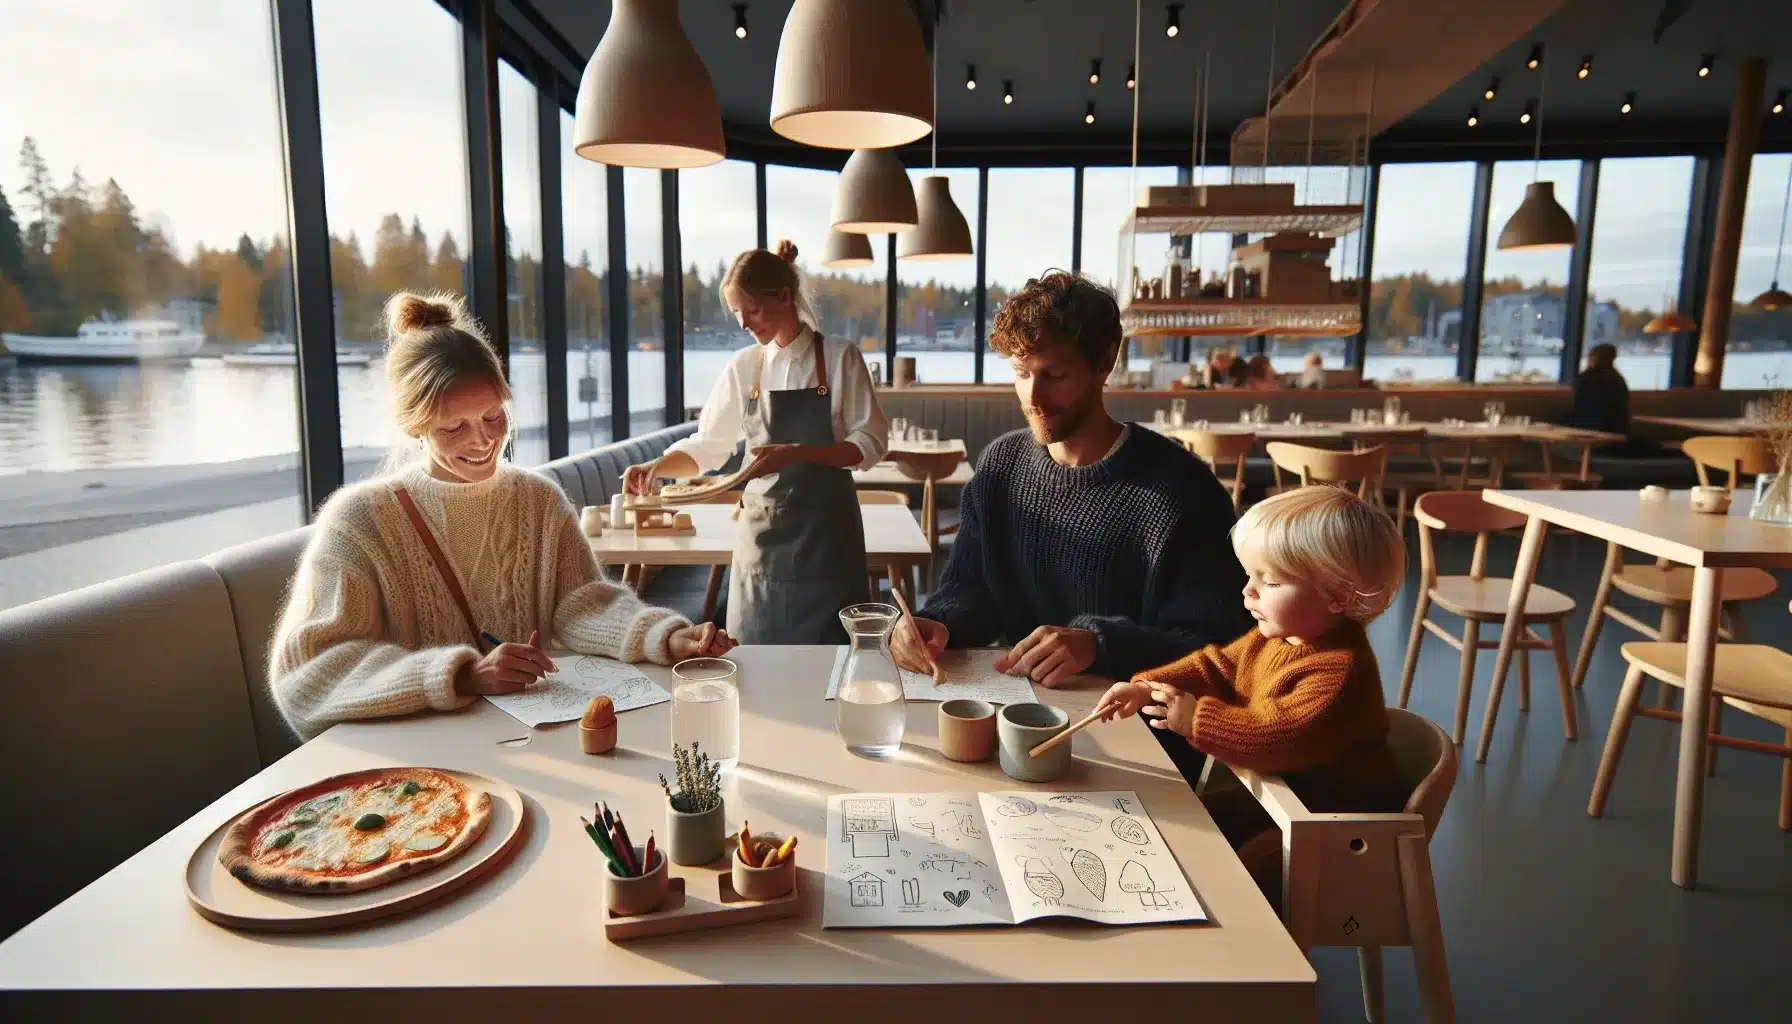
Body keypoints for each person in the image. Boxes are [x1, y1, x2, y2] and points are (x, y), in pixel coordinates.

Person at [270, 293, 734, 740]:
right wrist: (461, 675)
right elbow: (307, 674)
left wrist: (664, 636)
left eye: (494, 416)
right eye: (454, 426)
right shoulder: (360, 521)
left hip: (535, 742)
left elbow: (581, 604)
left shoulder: (537, 499)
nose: (483, 441)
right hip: (424, 762)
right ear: (415, 426)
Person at [891, 268, 1253, 714]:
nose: (1033, 396)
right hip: (1021, 712)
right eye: (1022, 372)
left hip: (1135, 725)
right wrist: (937, 623)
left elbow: (1224, 648)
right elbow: (973, 588)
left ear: (1105, 362)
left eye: (1055, 375)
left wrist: (1099, 645)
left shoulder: (1182, 491)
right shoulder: (1001, 465)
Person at [1098, 486, 1407, 901]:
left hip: (1337, 823)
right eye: (1249, 575)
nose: (1248, 591)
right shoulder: (1277, 638)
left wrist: (1196, 720)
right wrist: (1145, 687)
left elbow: (1278, 737)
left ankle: (1244, 938)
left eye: (1270, 580)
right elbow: (1215, 667)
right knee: (1192, 825)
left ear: (1336, 595)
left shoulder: (1338, 671)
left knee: (1253, 870)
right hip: (1288, 799)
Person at [621, 240, 888, 644]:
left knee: (832, 660)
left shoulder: (839, 357)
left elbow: (869, 443)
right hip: (761, 546)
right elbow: (709, 446)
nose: (744, 324)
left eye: (753, 310)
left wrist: (798, 454)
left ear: (784, 296)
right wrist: (656, 466)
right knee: (752, 658)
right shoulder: (744, 366)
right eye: (736, 312)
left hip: (827, 541)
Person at [1570, 343, 1659, 457]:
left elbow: (1577, 408)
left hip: (1587, 435)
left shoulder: (1584, 379)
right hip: (1615, 437)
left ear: (1593, 358)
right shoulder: (1617, 380)